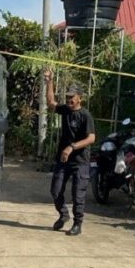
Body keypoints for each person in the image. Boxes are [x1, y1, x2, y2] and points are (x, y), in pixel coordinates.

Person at [44, 70, 96, 236]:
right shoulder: (66, 110)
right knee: (56, 190)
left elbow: (91, 138)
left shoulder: (85, 115)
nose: (69, 100)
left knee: (77, 194)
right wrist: (49, 81)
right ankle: (63, 215)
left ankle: (77, 224)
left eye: (72, 97)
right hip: (63, 159)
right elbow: (51, 102)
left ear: (79, 98)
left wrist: (71, 147)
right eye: (67, 97)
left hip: (80, 161)